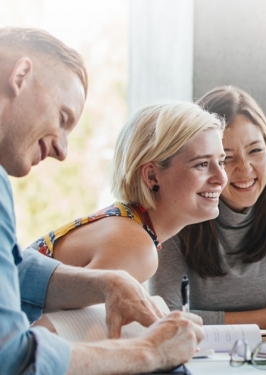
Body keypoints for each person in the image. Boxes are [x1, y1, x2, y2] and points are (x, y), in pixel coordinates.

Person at [0, 27, 205, 374]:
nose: (63, 151)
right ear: (20, 76)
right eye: (63, 118)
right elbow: (12, 357)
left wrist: (108, 282)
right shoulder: (136, 245)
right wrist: (147, 352)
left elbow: (13, 270)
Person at [150, 86, 266, 329]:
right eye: (226, 158)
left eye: (255, 150)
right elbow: (166, 318)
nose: (245, 169)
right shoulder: (179, 210)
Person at [26, 101, 228, 284]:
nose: (221, 178)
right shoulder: (135, 248)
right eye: (202, 164)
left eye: (221, 162)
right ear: (152, 176)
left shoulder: (127, 224)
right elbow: (55, 323)